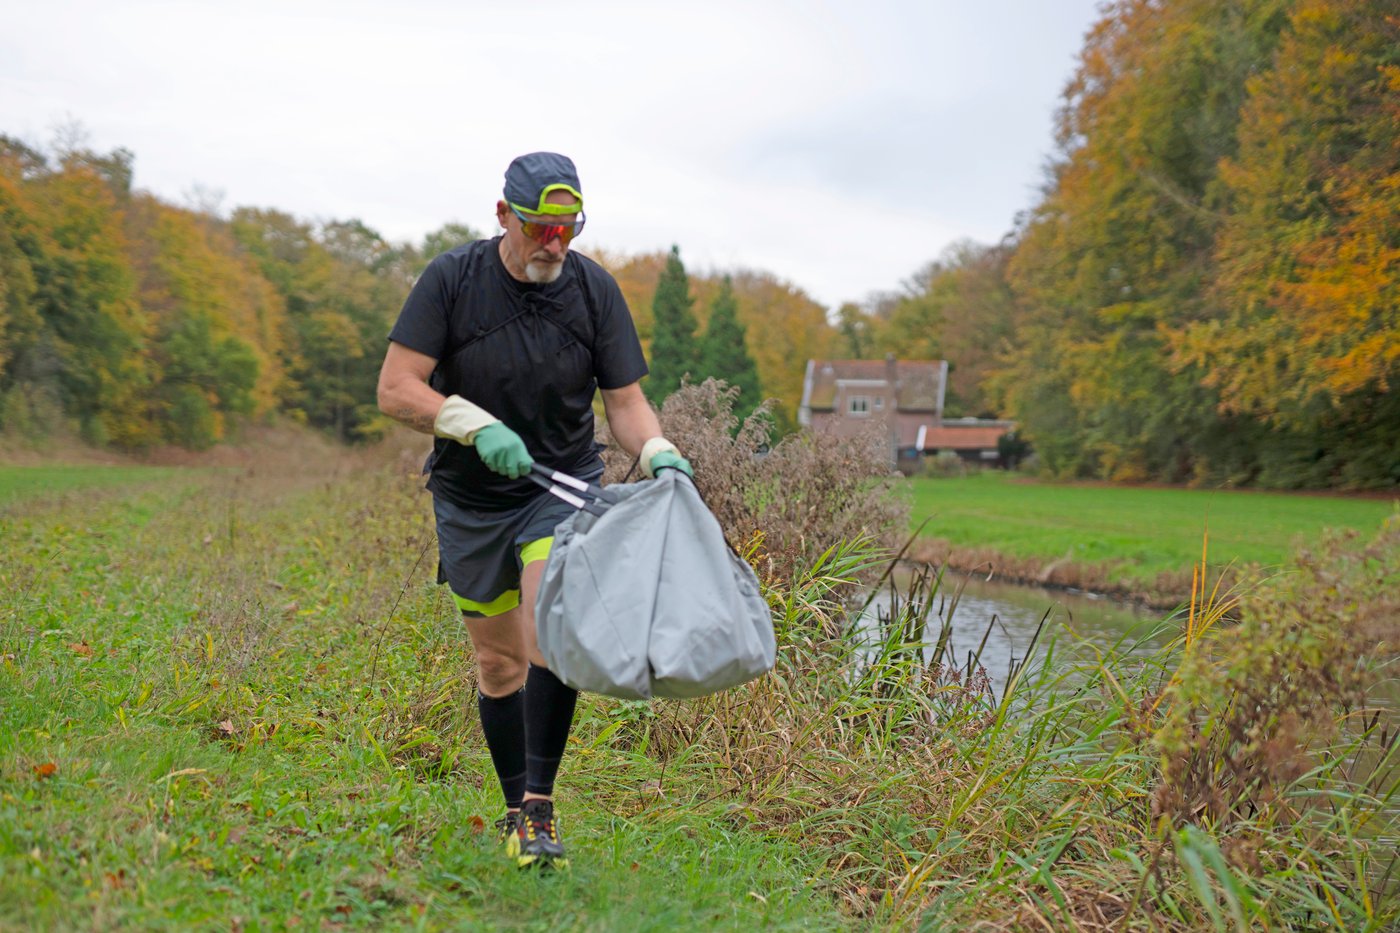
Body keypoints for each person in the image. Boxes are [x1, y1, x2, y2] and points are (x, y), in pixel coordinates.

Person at [376, 152, 690, 870]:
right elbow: (396, 387)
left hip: (561, 487)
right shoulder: (451, 281)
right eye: (540, 227)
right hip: (470, 495)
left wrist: (656, 449)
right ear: (502, 216)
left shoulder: (594, 290)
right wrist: (473, 425)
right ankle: (515, 806)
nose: (555, 243)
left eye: (568, 228)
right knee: (497, 662)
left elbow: (627, 403)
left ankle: (542, 809)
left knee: (549, 622)